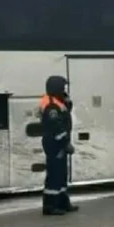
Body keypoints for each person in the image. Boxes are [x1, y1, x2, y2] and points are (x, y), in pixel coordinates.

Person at [40, 75, 79, 215]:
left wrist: (66, 99)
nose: (64, 90)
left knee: (62, 175)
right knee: (55, 176)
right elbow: (56, 128)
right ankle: (51, 207)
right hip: (54, 143)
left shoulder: (57, 101)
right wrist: (65, 144)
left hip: (59, 143)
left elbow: (67, 109)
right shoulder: (51, 106)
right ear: (55, 88)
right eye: (62, 87)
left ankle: (63, 203)